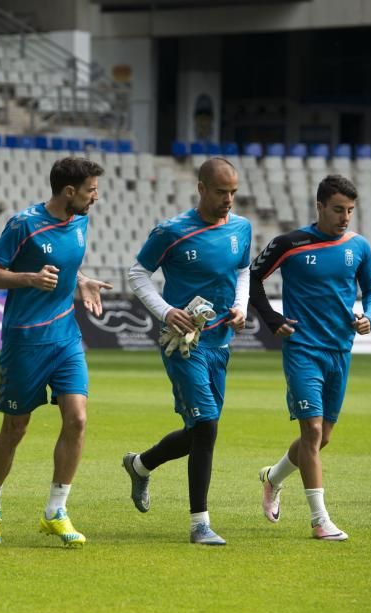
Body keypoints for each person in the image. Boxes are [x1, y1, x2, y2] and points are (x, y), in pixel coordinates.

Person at [0, 156, 112, 548]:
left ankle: (56, 511)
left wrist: (81, 281)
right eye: (91, 190)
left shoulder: (81, 220)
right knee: (14, 429)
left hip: (66, 337)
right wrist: (28, 279)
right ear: (69, 192)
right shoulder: (23, 224)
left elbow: (65, 264)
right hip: (25, 341)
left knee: (78, 420)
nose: (95, 198)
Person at [120, 157, 252, 546]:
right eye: (221, 191)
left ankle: (141, 465)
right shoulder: (172, 231)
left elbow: (243, 270)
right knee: (207, 426)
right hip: (183, 344)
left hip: (220, 343)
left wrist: (241, 307)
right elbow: (138, 274)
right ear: (201, 188)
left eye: (233, 192)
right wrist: (166, 311)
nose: (228, 199)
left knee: (199, 431)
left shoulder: (241, 228)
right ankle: (200, 524)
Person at [249, 174, 371, 541]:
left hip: (340, 350)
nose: (345, 217)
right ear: (320, 206)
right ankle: (320, 520)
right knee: (312, 431)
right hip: (303, 349)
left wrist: (370, 315)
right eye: (338, 209)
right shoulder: (290, 244)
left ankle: (272, 478)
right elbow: (252, 277)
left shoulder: (359, 247)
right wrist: (272, 318)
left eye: (351, 210)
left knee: (323, 439)